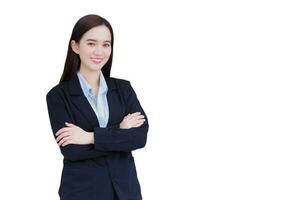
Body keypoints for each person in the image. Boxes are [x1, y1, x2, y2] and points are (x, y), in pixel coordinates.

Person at [46, 14, 149, 200]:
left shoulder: (123, 89)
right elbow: (72, 150)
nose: (99, 51)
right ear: (75, 46)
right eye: (91, 43)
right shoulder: (58, 96)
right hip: (83, 192)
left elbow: (139, 137)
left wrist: (89, 137)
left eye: (106, 44)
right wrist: (119, 131)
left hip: (126, 191)